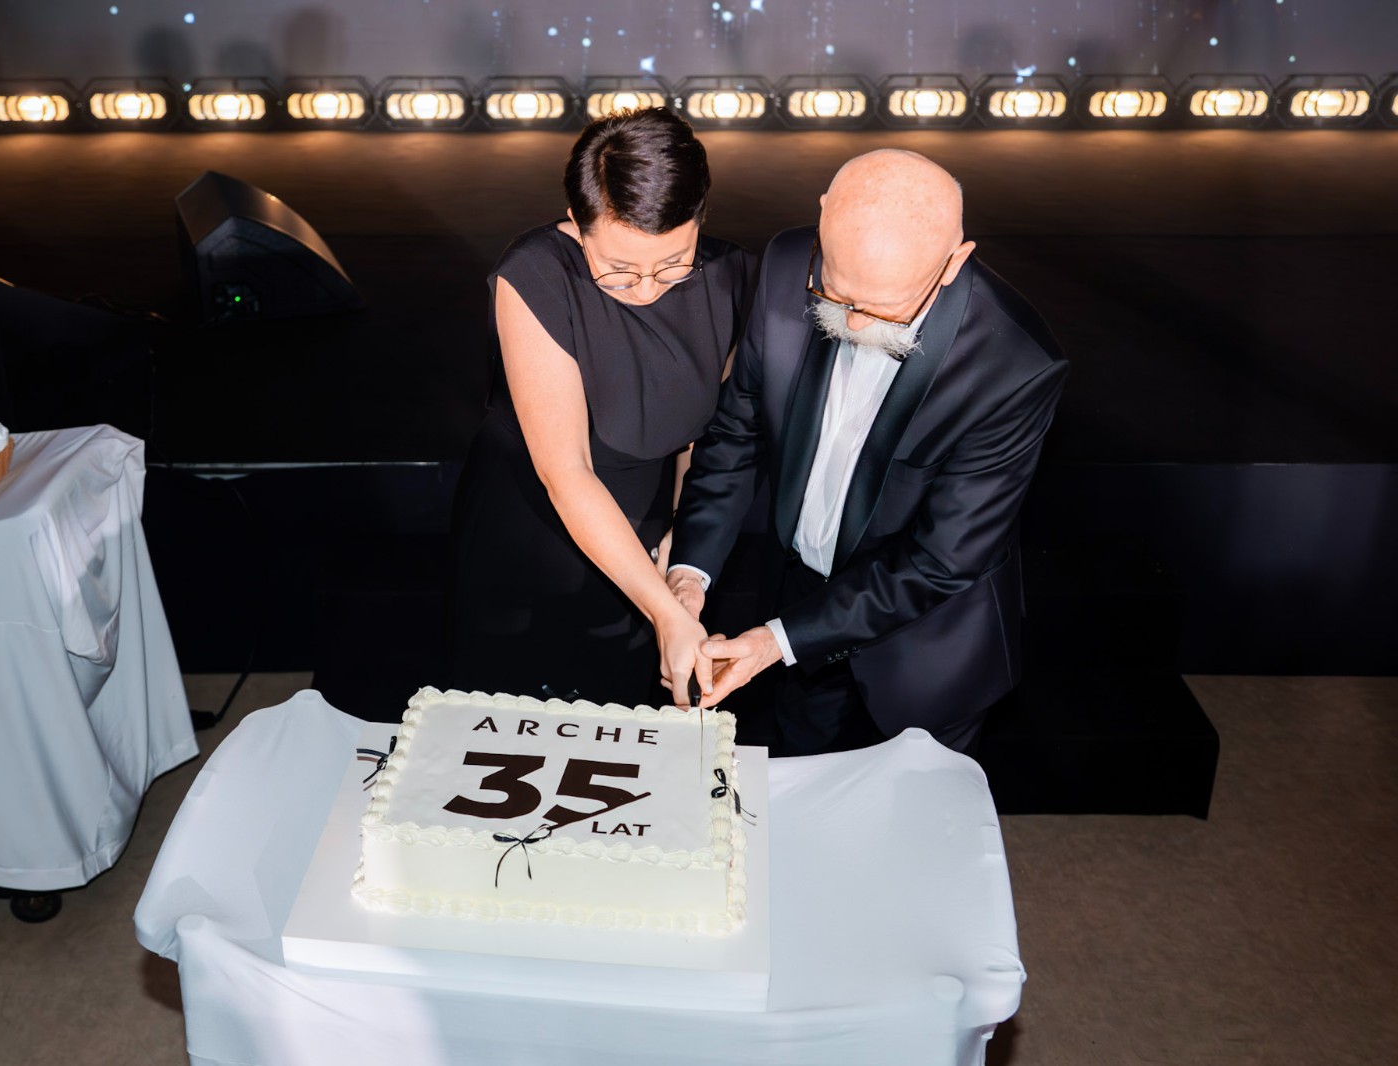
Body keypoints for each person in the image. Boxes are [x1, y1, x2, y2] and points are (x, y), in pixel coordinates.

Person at [665, 149, 1068, 754]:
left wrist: (777, 641)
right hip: (796, 599)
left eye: (883, 310)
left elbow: (942, 560)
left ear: (954, 262)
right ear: (823, 218)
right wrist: (688, 575)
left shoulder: (1015, 365)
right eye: (835, 293)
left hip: (927, 649)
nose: (853, 326)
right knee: (800, 779)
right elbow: (736, 434)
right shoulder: (786, 262)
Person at [449, 107, 758, 707]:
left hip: (649, 514)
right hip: (535, 523)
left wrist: (680, 553)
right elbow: (565, 471)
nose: (647, 288)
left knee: (626, 711)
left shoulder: (731, 276)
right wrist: (662, 609)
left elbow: (705, 440)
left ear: (699, 217)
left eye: (672, 263)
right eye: (619, 270)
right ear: (577, 221)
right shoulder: (534, 273)